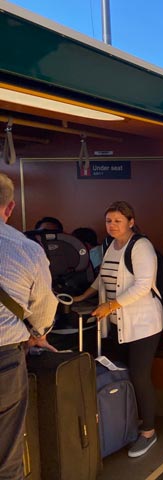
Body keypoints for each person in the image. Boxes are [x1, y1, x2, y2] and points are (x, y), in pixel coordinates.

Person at [73, 201, 162, 458]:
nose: (112, 226)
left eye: (118, 221)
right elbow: (103, 276)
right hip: (119, 323)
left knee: (140, 377)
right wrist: (82, 297)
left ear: (131, 222)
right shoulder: (110, 244)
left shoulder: (141, 246)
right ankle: (132, 421)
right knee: (126, 373)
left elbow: (143, 285)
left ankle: (149, 432)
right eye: (109, 221)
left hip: (143, 324)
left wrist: (110, 305)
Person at [0, 173, 58, 479]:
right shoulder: (27, 249)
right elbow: (44, 309)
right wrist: (36, 334)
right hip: (5, 361)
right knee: (6, 456)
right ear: (10, 208)